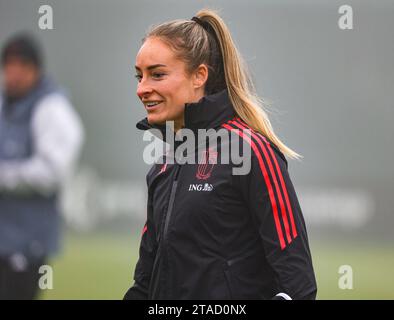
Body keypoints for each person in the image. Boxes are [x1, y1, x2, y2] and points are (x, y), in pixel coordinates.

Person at [124, 9, 317, 300]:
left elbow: (297, 286)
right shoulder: (163, 164)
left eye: (157, 74)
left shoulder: (251, 151)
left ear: (199, 75)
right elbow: (145, 282)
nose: (142, 88)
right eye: (140, 76)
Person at [0, 33, 84, 299]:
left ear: (36, 69)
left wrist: (5, 176)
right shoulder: (4, 104)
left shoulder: (52, 108)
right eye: (8, 65)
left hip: (27, 242)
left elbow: (52, 173)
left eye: (21, 66)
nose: (13, 73)